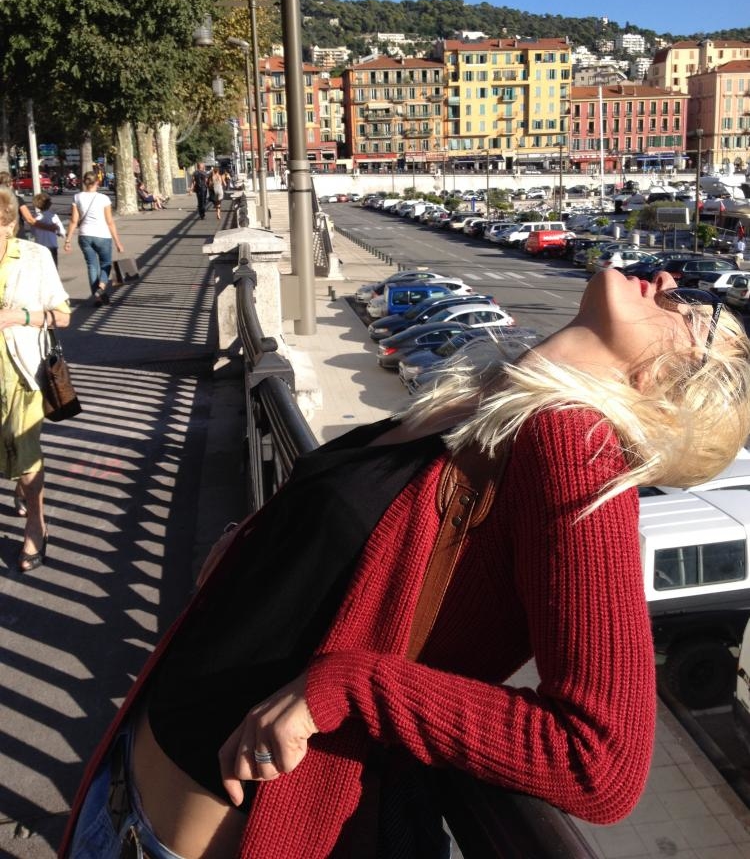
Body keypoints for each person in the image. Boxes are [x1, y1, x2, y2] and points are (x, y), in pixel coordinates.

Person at [61, 268, 750, 859]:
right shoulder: (483, 398)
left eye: (692, 313)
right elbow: (370, 537)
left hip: (187, 837)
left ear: (661, 381)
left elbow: (601, 762)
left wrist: (351, 687)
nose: (668, 282)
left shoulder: (577, 445)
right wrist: (260, 545)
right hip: (121, 790)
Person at [0, 186, 71, 573]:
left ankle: (36, 526)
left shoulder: (34, 257)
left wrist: (19, 317)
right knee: (10, 449)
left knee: (24, 453)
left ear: (10, 224)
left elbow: (62, 316)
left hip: (23, 371)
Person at [64, 171, 124, 305]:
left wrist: (68, 240)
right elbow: (110, 222)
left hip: (84, 235)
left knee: (92, 266)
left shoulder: (77, 197)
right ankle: (101, 286)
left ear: (84, 182)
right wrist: (118, 242)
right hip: (102, 235)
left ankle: (97, 298)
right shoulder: (104, 199)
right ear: (97, 182)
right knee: (106, 264)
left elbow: (73, 221)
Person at [31, 192, 66, 265]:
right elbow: (62, 231)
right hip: (51, 245)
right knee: (53, 266)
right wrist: (60, 233)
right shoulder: (53, 216)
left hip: (39, 245)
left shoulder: (35, 217)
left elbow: (33, 232)